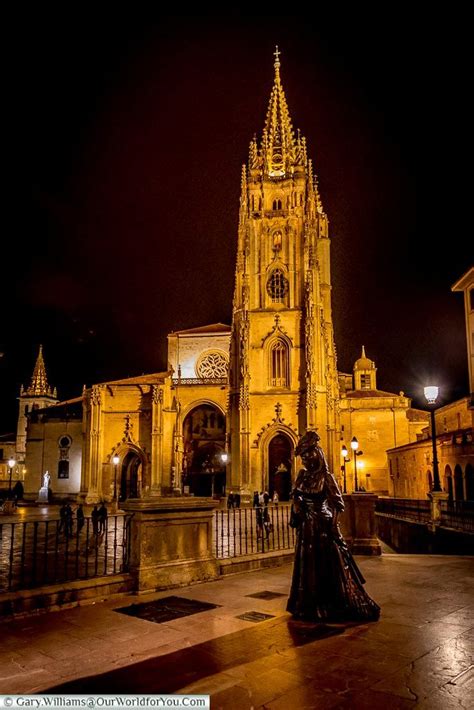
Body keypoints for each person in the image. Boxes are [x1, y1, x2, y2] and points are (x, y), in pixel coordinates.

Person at [287, 431, 380, 623]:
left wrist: (332, 524)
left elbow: (339, 504)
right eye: (303, 456)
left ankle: (329, 604)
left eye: (308, 454)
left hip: (322, 525)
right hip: (306, 526)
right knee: (308, 565)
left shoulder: (326, 476)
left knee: (326, 564)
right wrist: (296, 505)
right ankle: (307, 605)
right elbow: (295, 495)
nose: (305, 459)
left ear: (317, 455)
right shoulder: (302, 476)